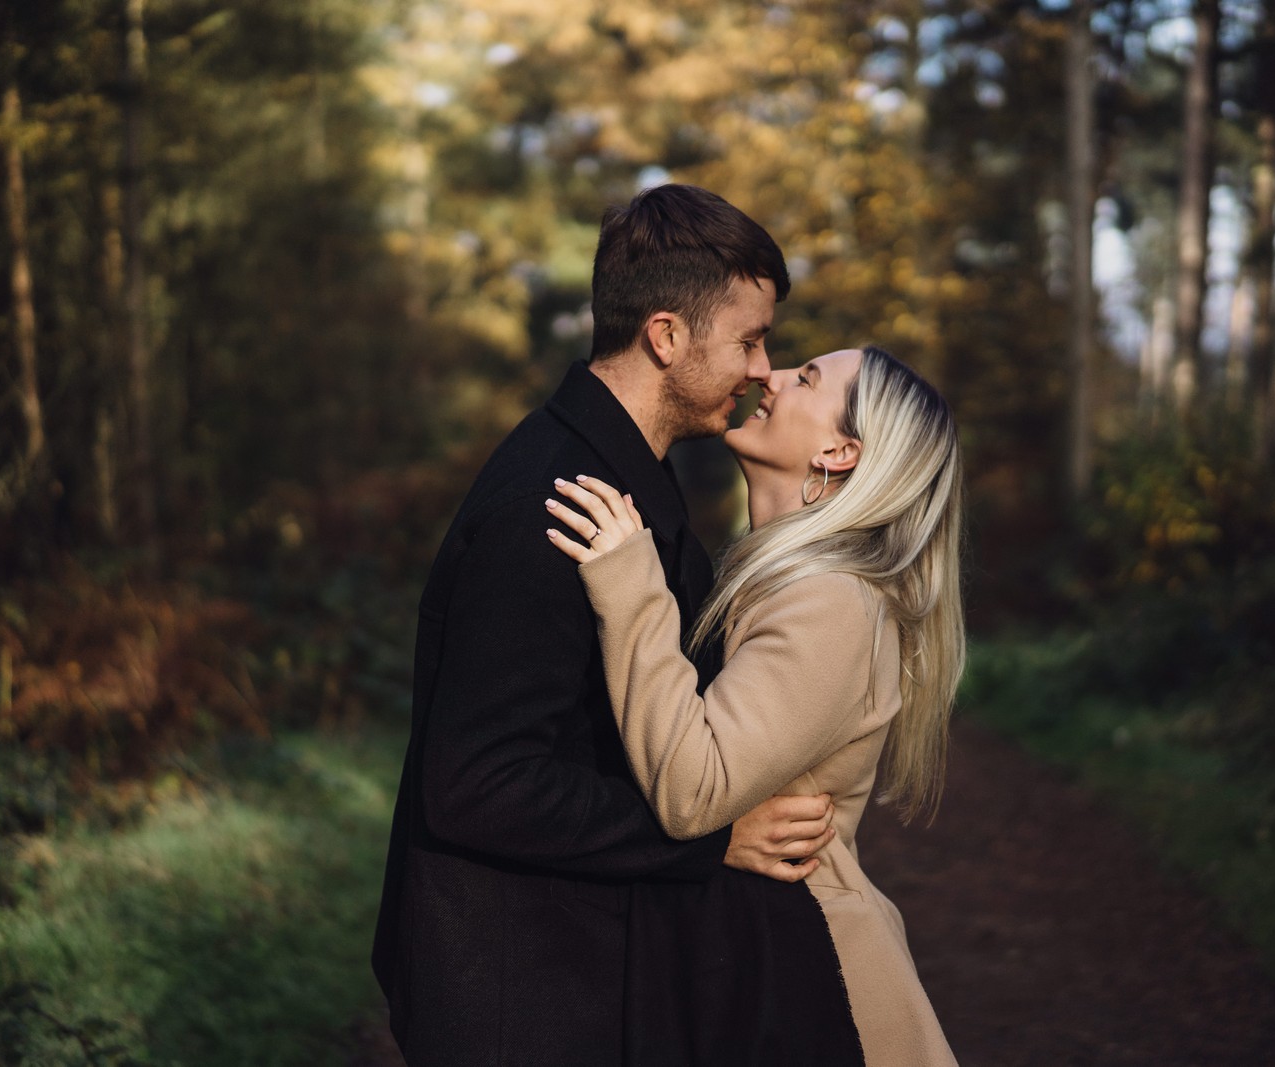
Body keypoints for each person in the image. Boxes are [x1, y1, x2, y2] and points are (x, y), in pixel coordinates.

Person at [370, 184, 862, 1067]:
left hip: (571, 964)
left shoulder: (625, 476)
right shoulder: (553, 500)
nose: (762, 368)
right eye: (748, 339)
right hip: (513, 988)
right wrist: (711, 839)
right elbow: (477, 782)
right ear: (666, 336)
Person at [545, 344, 965, 1067]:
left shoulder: (832, 604)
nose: (769, 376)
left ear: (839, 450)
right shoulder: (779, 582)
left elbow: (692, 788)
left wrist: (629, 581)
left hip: (811, 987)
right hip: (759, 963)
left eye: (805, 378)